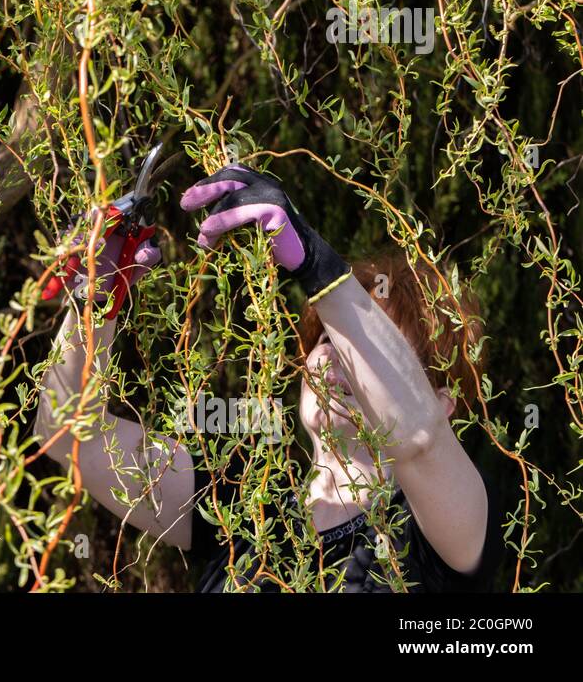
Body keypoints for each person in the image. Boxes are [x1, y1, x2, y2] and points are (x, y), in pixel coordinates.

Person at [34, 162, 503, 591]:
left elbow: (418, 436)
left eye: (359, 349)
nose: (337, 357)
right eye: (328, 341)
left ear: (441, 402)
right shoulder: (243, 505)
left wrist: (317, 267)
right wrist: (95, 304)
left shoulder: (446, 528)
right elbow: (69, 434)